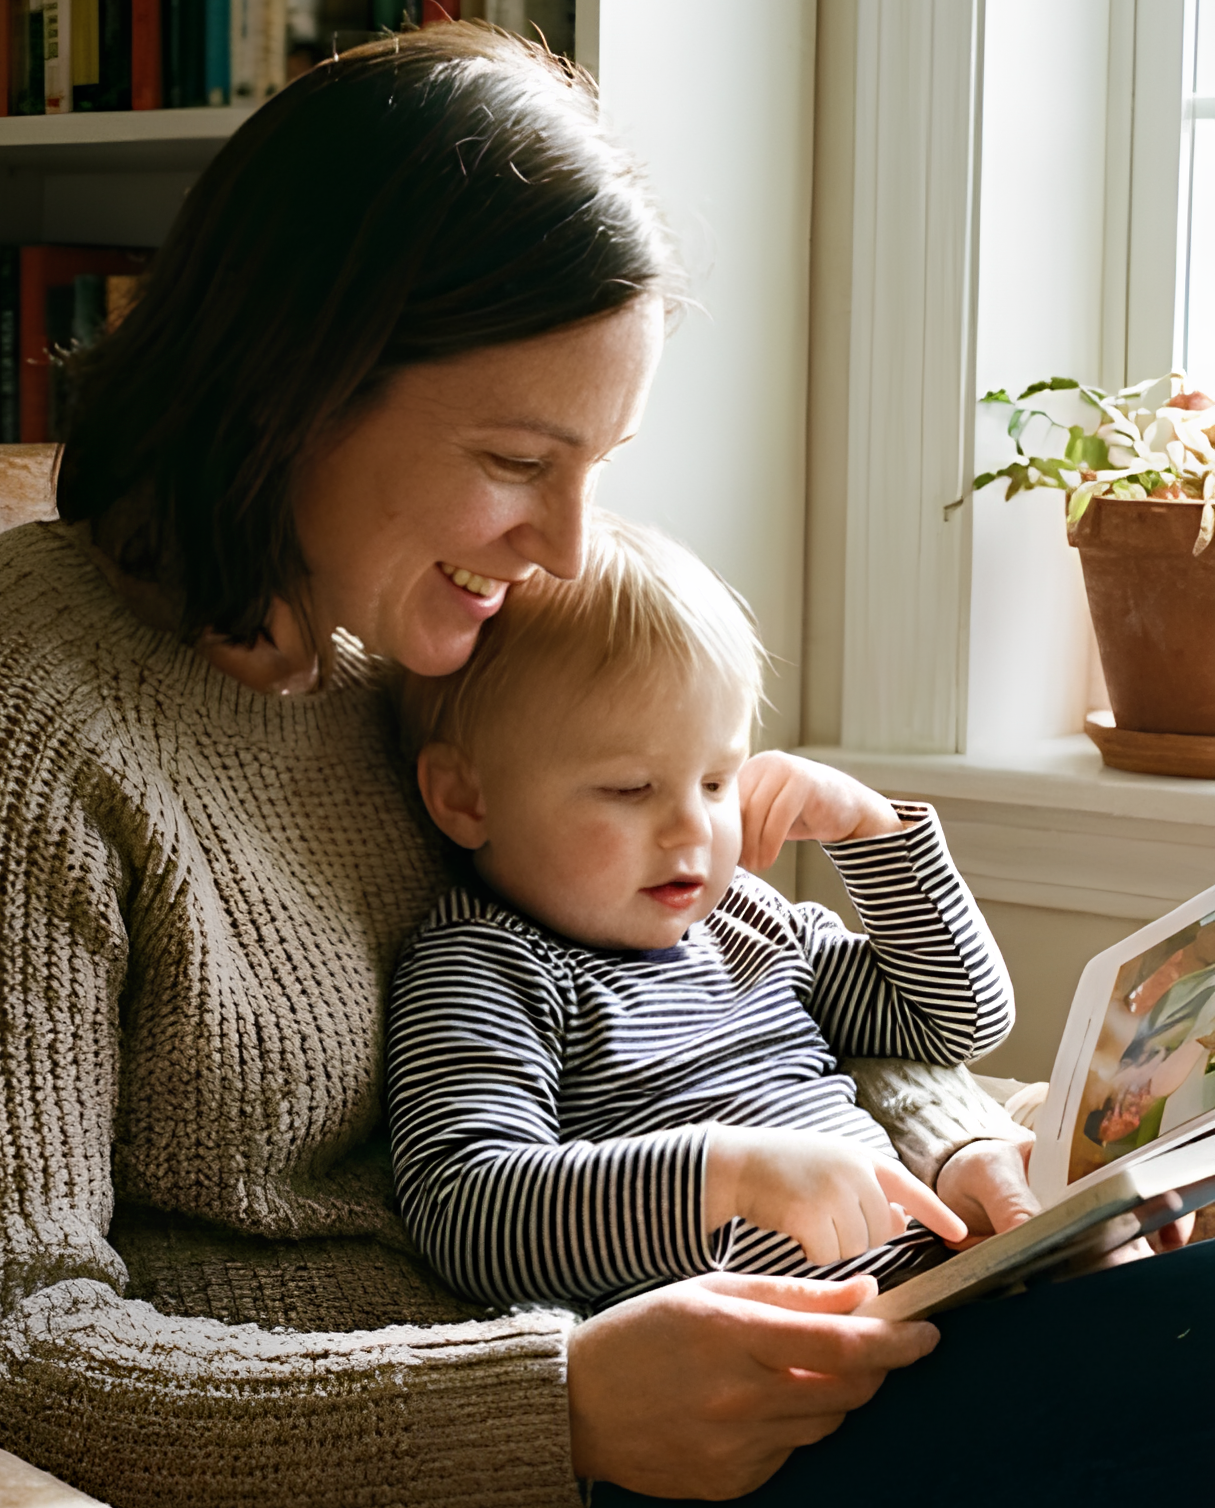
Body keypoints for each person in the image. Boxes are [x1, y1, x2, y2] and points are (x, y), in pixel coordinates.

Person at [0, 23, 1208, 1508]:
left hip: (660, 1435)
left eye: (598, 471)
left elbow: (748, 952)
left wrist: (954, 1146)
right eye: (523, 464)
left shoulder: (414, 676)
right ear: (293, 376)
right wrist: (561, 1408)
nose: (570, 545)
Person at [388, 515, 1010, 1312]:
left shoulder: (750, 923)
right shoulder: (485, 968)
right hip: (803, 1371)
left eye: (718, 781)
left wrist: (874, 835)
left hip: (938, 1289)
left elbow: (953, 1021)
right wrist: (726, 1177)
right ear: (466, 797)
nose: (693, 829)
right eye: (629, 789)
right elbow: (467, 1214)